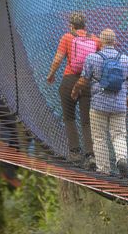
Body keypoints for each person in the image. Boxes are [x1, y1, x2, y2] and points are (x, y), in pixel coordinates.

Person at [71, 29, 128, 178]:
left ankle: (103, 170)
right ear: (115, 42)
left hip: (98, 105)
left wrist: (75, 90)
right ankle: (121, 159)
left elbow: (83, 80)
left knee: (100, 137)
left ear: (100, 42)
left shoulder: (92, 58)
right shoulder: (125, 59)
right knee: (119, 135)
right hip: (119, 105)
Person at [47, 12, 99, 168]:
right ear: (85, 25)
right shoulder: (95, 39)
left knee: (69, 118)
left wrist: (51, 74)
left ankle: (75, 153)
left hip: (69, 80)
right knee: (87, 120)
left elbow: (58, 58)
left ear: (71, 25)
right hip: (87, 82)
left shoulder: (67, 37)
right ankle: (91, 156)